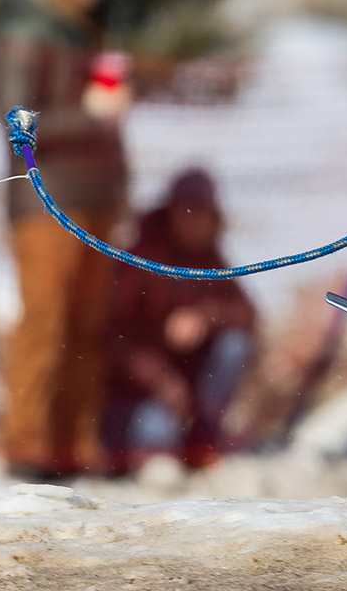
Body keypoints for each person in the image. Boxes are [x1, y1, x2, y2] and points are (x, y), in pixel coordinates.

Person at [0, 0, 130, 480]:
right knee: (46, 321)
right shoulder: (28, 24)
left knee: (86, 326)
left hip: (97, 195)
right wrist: (91, 114)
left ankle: (73, 446)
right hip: (46, 200)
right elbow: (17, 123)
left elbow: (108, 121)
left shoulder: (92, 28)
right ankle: (28, 448)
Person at [100, 169, 256, 474]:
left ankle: (204, 435)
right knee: (158, 438)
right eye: (187, 212)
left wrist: (206, 317)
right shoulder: (139, 259)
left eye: (202, 214)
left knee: (235, 344)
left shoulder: (211, 260)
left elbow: (248, 314)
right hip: (138, 395)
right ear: (170, 214)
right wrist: (161, 380)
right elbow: (115, 339)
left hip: (190, 396)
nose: (194, 222)